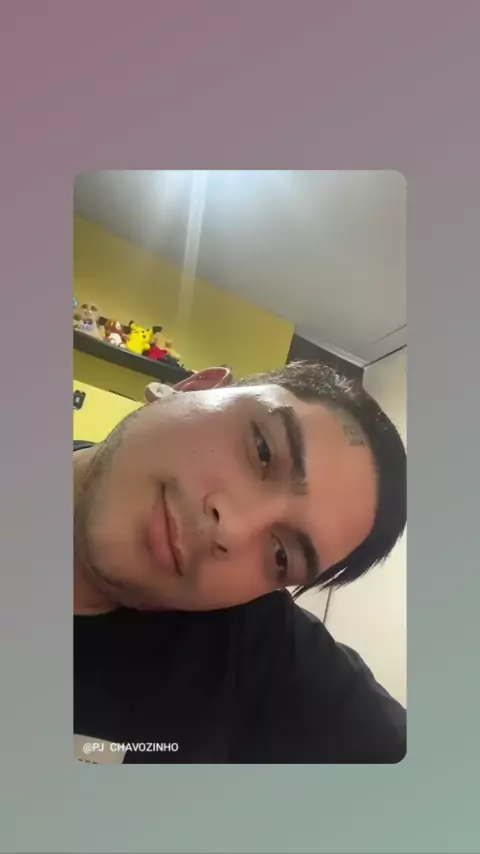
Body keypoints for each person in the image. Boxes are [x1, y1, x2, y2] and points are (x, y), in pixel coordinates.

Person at [74, 361, 407, 763]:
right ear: (197, 386)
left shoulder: (256, 650)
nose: (232, 529)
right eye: (263, 451)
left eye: (281, 555)